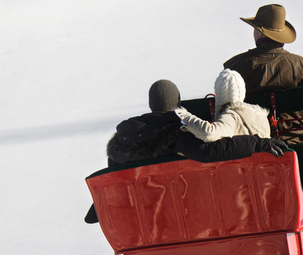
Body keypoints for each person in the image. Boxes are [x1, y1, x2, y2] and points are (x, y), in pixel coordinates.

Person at [86, 79, 285, 224]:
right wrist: (257, 143)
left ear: (151, 104)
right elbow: (210, 152)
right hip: (174, 210)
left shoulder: (123, 138)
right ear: (177, 103)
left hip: (142, 212)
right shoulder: (175, 130)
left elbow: (114, 177)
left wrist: (98, 210)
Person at [223, 4, 303, 144]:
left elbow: (223, 105)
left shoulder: (234, 66)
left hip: (250, 143)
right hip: (297, 141)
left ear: (260, 33)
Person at [175, 68, 271, 142]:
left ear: (220, 94)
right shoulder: (260, 115)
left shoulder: (231, 117)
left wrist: (185, 117)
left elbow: (209, 133)